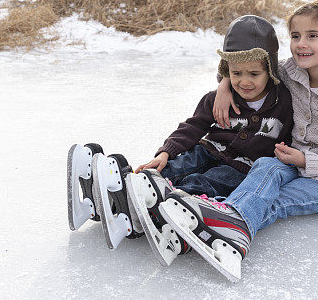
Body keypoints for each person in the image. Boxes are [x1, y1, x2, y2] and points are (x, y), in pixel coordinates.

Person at [157, 0, 318, 281]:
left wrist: (306, 160)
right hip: (289, 160)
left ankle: (230, 231)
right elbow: (247, 66)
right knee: (265, 167)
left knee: (268, 200)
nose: (301, 44)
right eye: (296, 36)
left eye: (313, 36)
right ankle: (200, 218)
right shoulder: (293, 71)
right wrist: (223, 84)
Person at [67, 15, 294, 264]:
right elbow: (193, 127)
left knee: (205, 182)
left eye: (254, 73)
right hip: (206, 150)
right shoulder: (217, 98)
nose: (245, 81)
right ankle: (122, 195)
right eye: (236, 73)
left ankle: (166, 211)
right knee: (177, 167)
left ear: (270, 70)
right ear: (226, 71)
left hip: (241, 168)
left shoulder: (284, 103)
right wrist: (165, 153)